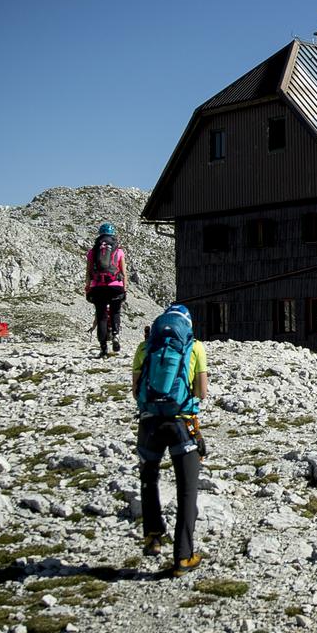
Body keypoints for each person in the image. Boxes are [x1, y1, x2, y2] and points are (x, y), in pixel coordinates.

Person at [132, 303, 209, 577]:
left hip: (149, 423)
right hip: (182, 423)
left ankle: (153, 537)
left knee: (149, 479)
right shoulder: (195, 347)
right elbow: (202, 392)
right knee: (187, 490)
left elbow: (136, 391)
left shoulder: (145, 348)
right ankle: (183, 557)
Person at [86, 223, 127, 358]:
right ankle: (115, 335)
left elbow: (89, 272)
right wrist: (124, 289)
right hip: (115, 285)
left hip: (98, 287)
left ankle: (103, 349)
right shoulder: (119, 251)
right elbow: (123, 272)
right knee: (115, 311)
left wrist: (88, 288)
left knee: (101, 316)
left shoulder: (93, 251)